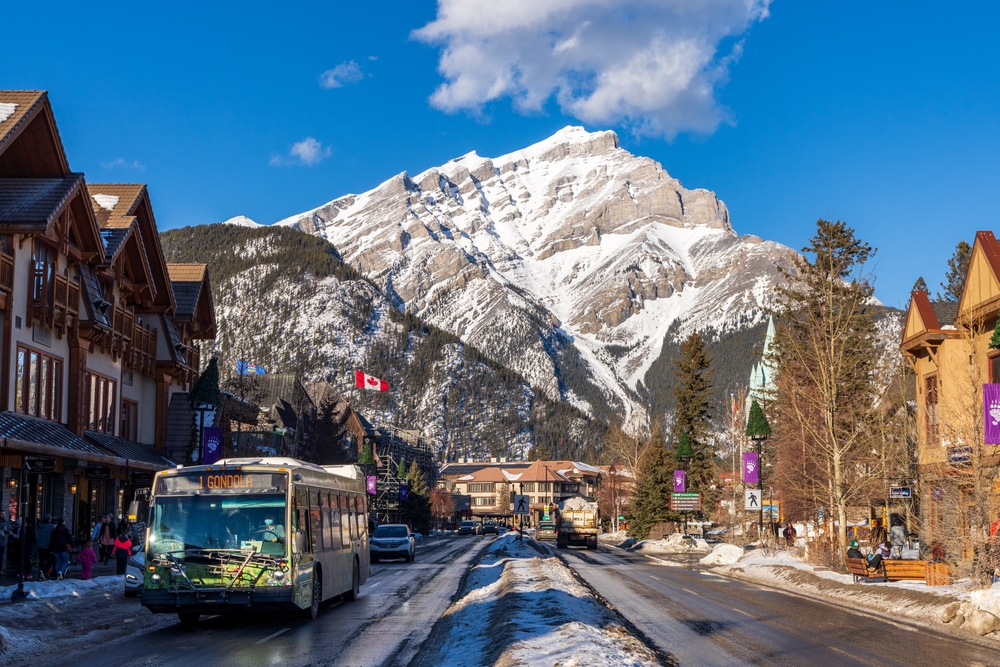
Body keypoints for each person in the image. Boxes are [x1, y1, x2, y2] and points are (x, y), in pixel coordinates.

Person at [36, 514, 54, 580]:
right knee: (49, 560)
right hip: (47, 545)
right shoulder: (51, 526)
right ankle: (45, 572)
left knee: (41, 559)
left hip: (40, 545)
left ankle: (40, 570)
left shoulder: (39, 526)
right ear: (49, 519)